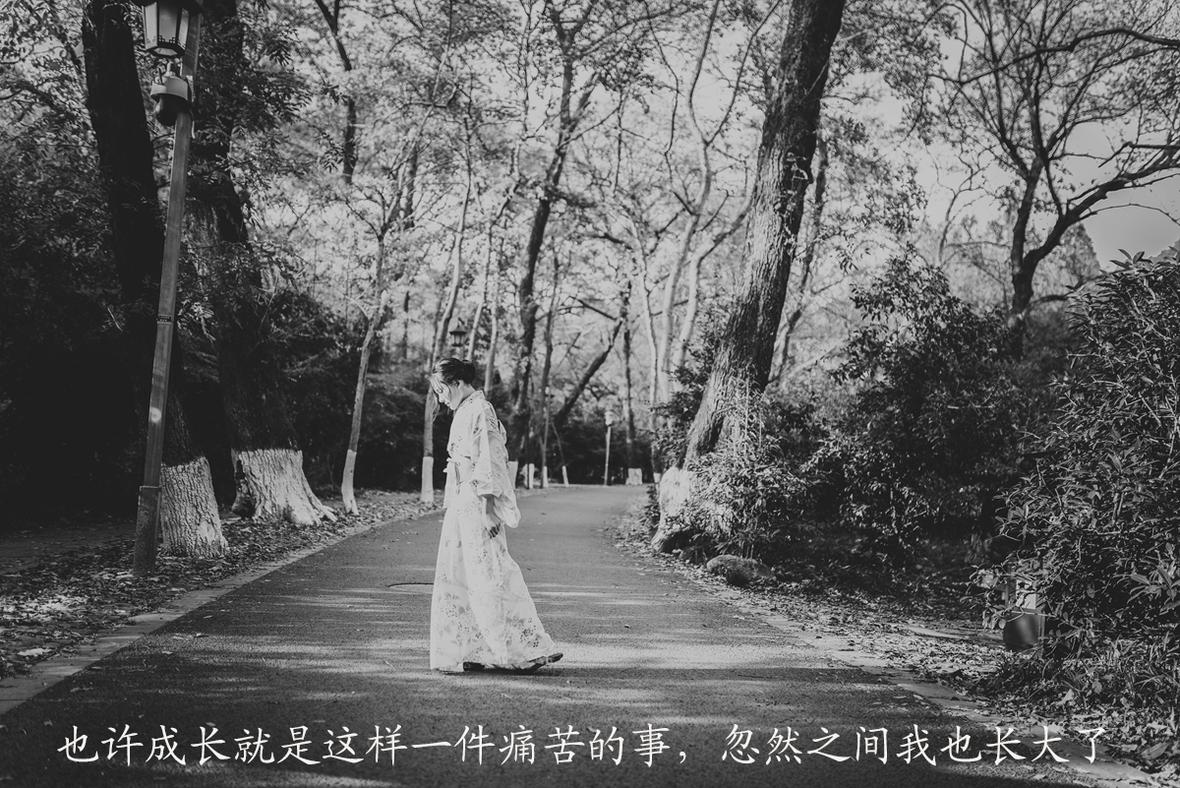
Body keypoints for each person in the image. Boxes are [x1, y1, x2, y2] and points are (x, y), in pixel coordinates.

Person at [427, 357, 563, 674]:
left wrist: (489, 510)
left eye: (442, 390)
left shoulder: (480, 409)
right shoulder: (465, 410)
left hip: (478, 503)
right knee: (462, 575)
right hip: (463, 503)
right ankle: (475, 649)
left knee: (491, 573)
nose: (441, 398)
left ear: (457, 382)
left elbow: (489, 460)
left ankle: (522, 650)